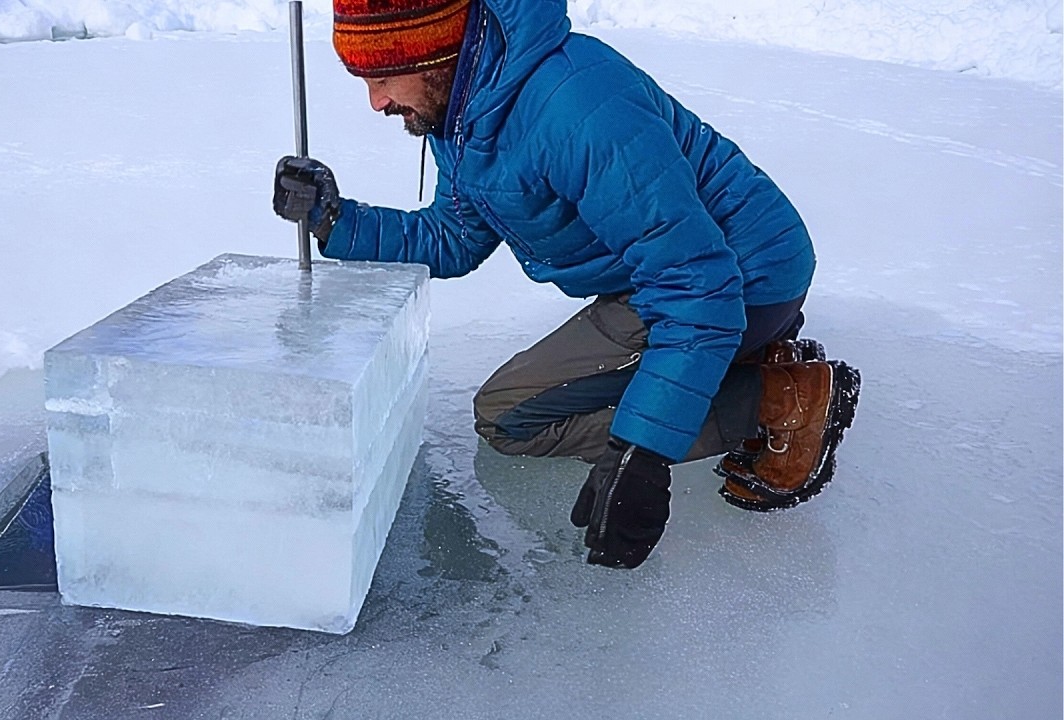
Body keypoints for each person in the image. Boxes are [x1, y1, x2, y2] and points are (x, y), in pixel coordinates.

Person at [272, 0, 861, 570]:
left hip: (741, 277)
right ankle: (751, 360)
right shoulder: (468, 106)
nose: (375, 102)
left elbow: (696, 285)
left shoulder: (576, 108)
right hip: (666, 273)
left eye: (385, 77)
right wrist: (335, 219)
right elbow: (454, 237)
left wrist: (643, 450)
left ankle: (785, 399)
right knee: (516, 407)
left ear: (435, 49)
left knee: (511, 417)